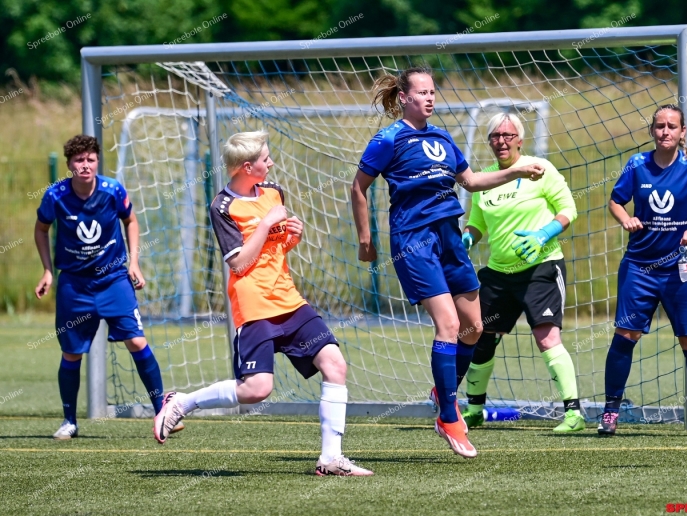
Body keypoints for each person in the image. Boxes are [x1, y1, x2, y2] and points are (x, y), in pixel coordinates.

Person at [350, 67, 544, 458]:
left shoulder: (441, 137)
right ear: (404, 97)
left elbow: (470, 182)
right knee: (450, 325)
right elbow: (358, 186)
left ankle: (443, 390)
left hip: (449, 238)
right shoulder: (388, 139)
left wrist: (516, 170)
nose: (430, 97)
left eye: (433, 91)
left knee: (474, 328)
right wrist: (366, 239)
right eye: (421, 92)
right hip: (414, 241)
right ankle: (448, 414)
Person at [154, 131, 373, 476]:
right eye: (265, 159)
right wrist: (268, 224)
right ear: (246, 166)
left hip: (289, 300)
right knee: (257, 389)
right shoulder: (222, 207)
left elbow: (273, 251)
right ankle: (182, 402)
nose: (271, 163)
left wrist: (290, 239)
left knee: (335, 365)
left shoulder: (274, 192)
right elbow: (240, 263)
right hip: (254, 305)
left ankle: (331, 458)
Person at [34, 135, 169, 440]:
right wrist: (47, 270)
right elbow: (41, 229)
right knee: (71, 354)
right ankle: (70, 421)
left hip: (113, 281)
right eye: (79, 160)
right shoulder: (55, 196)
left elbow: (131, 221)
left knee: (136, 341)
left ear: (97, 161)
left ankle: (162, 411)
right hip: (74, 285)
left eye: (90, 159)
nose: (85, 165)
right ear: (69, 165)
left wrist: (134, 263)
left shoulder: (112, 191)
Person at [460, 113, 584, 432]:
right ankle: (474, 408)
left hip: (540, 268)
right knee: (480, 334)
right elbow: (478, 222)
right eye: (494, 136)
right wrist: (468, 237)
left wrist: (543, 235)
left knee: (546, 337)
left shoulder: (540, 169)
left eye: (507, 135)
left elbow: (568, 209)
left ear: (520, 139)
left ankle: (573, 413)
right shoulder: (483, 179)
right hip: (498, 273)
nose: (501, 141)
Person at [599, 104, 687, 438]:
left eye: (672, 126)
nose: (665, 131)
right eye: (659, 126)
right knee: (626, 336)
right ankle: (610, 413)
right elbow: (615, 201)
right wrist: (626, 219)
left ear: (682, 133)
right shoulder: (637, 165)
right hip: (640, 268)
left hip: (683, 268)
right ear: (652, 130)